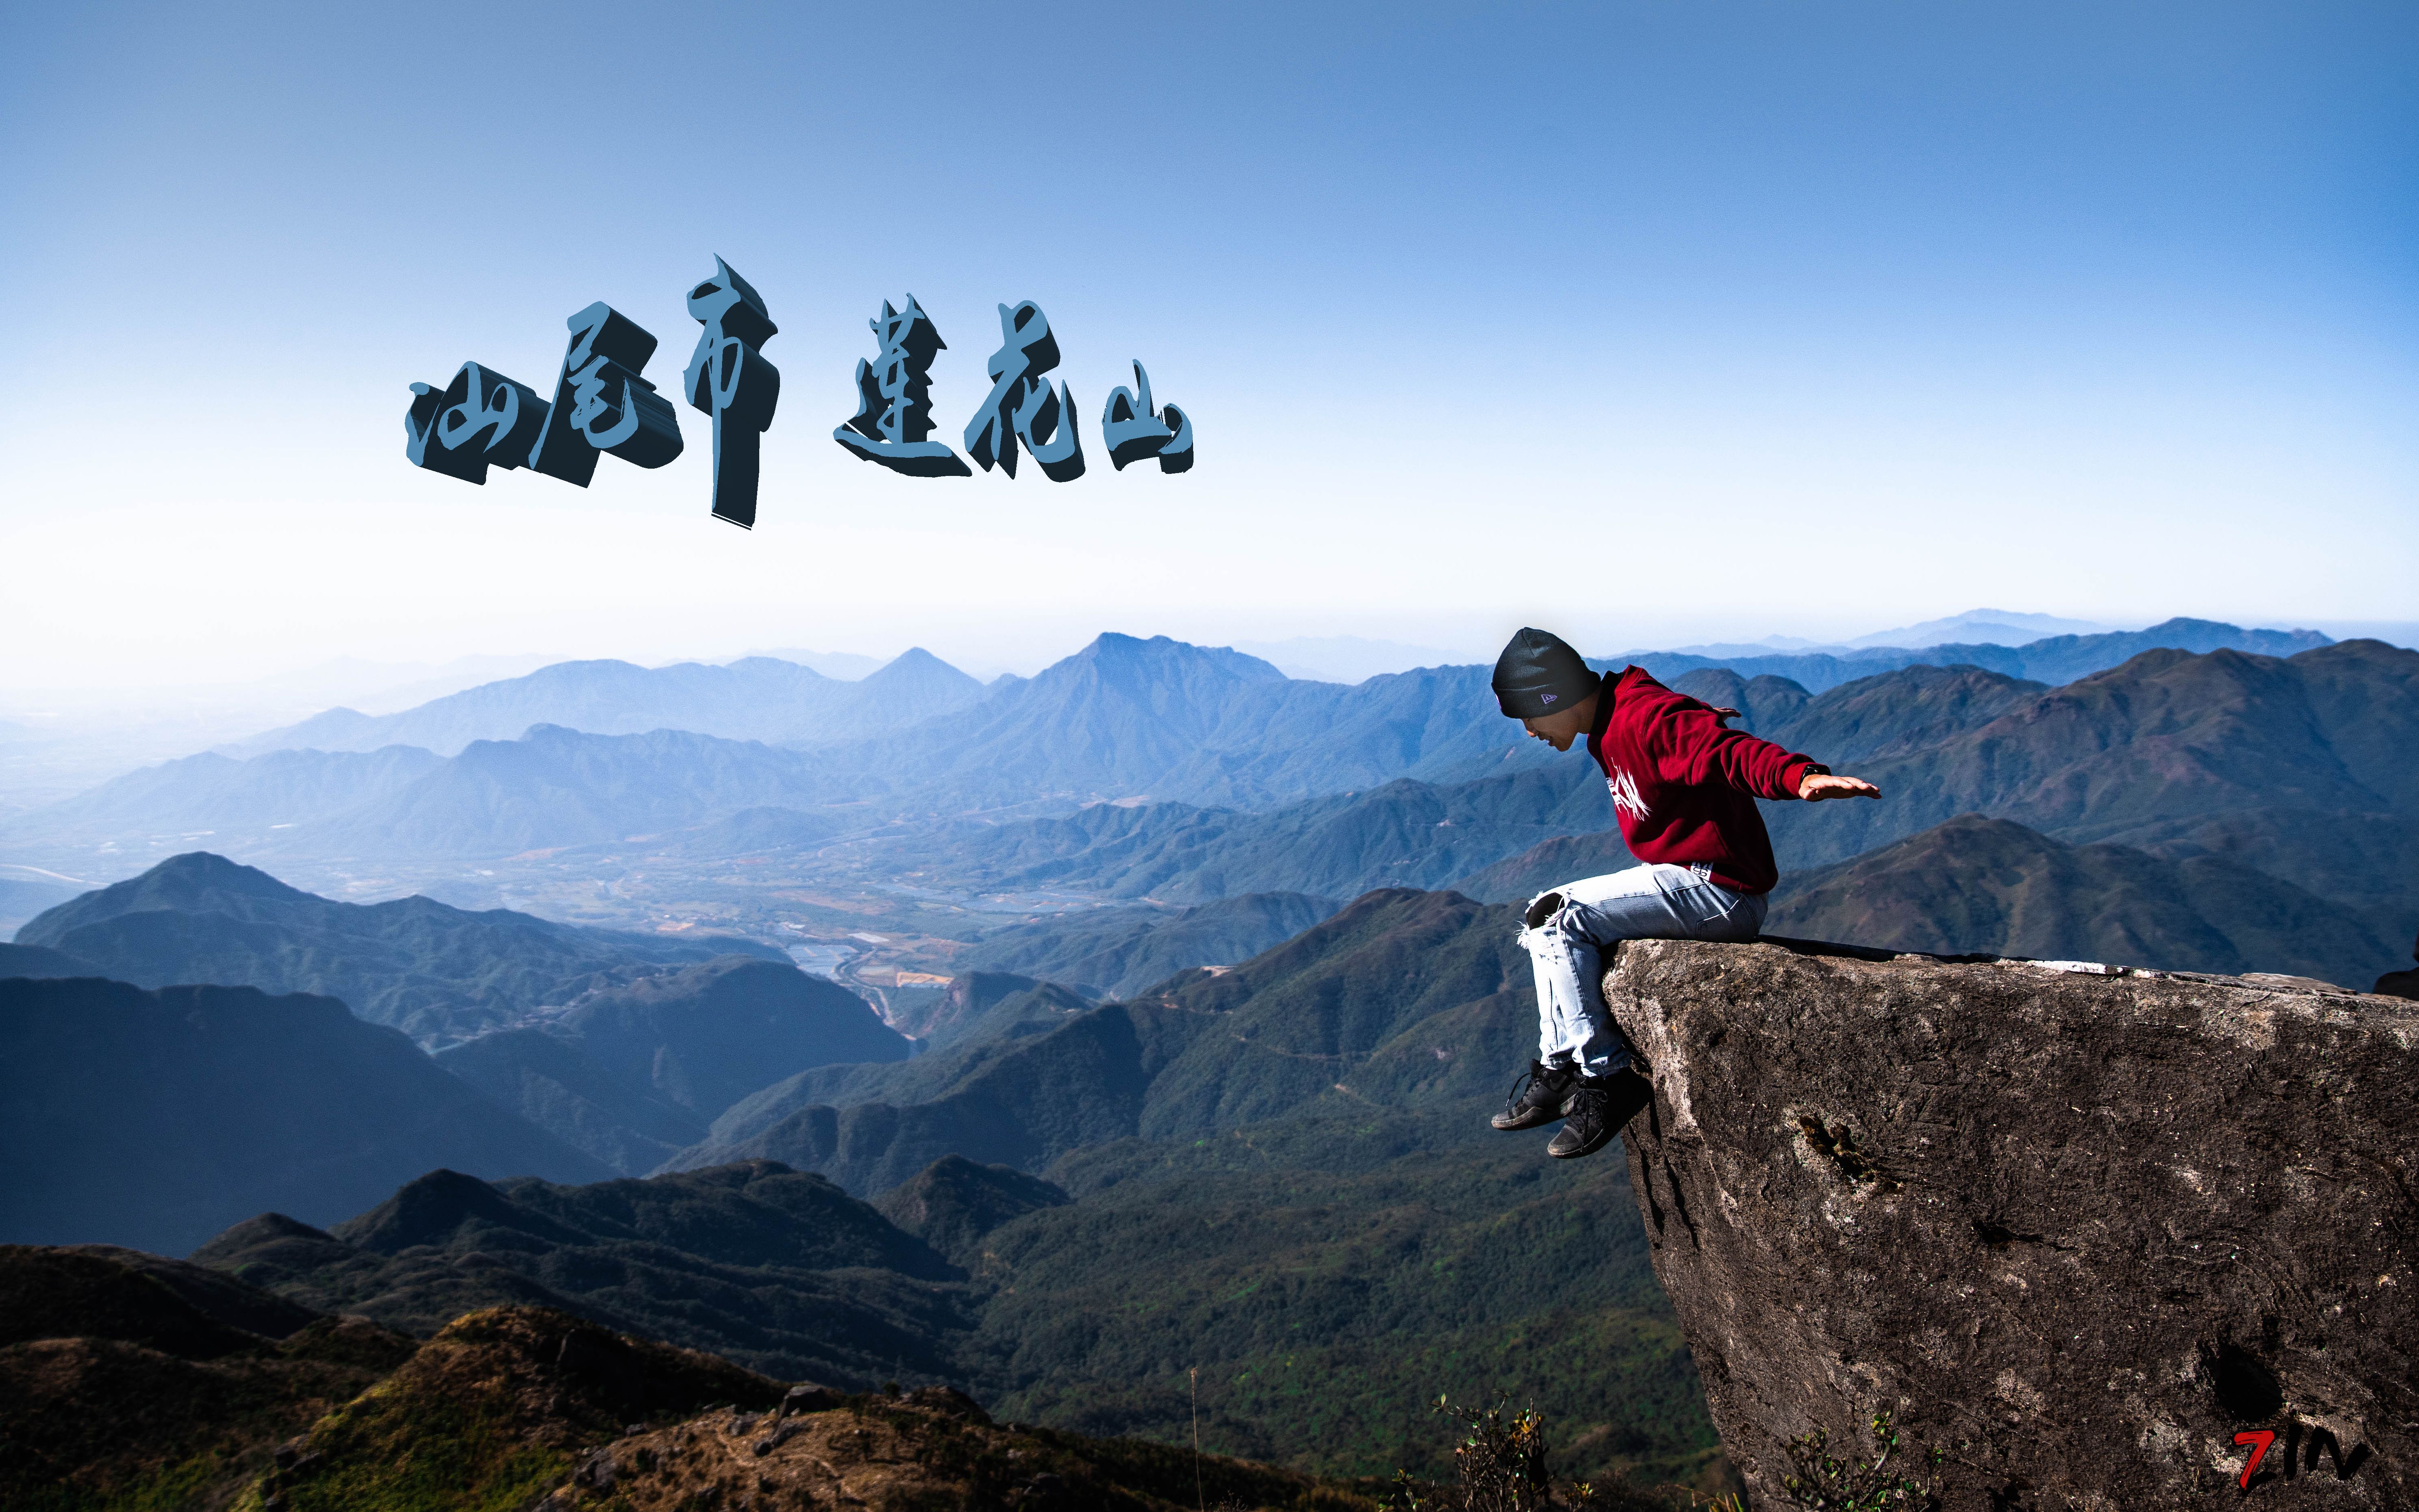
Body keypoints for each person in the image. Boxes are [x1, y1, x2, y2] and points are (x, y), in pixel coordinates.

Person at [1487, 626, 1881, 1159]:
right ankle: (1559, 1065)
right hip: (1688, 876)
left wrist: (1800, 776)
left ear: (1553, 698)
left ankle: (1605, 1078)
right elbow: (1689, 729)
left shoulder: (1642, 719)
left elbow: (1727, 752)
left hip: (1719, 890)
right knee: (1541, 914)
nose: (1530, 731)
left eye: (1530, 715)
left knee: (1562, 920)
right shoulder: (1615, 717)